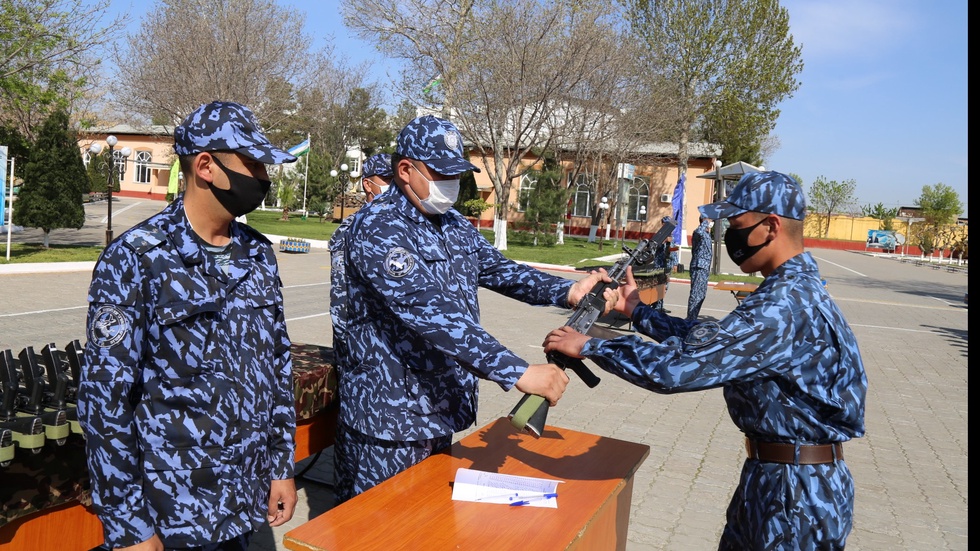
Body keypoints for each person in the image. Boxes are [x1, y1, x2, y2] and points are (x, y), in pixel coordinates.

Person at [542, 171, 867, 550]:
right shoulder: (793, 291)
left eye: (738, 226)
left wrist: (591, 344)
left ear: (771, 226)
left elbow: (677, 370)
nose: (730, 237)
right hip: (780, 477)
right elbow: (716, 341)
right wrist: (638, 312)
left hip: (794, 494)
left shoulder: (783, 305)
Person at [334, 114, 615, 503]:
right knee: (377, 523)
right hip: (389, 417)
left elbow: (501, 271)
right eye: (441, 172)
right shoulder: (379, 228)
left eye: (456, 173)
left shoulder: (451, 224)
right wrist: (518, 372)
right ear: (405, 170)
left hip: (435, 405)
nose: (451, 182)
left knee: (426, 520)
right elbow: (431, 314)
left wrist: (567, 291)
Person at [78, 101, 299, 551]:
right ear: (206, 166)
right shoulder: (137, 259)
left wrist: (281, 465)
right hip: (171, 508)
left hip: (243, 497)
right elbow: (104, 401)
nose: (263, 178)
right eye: (253, 164)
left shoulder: (257, 254)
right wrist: (128, 525)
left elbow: (276, 366)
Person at [329, 152, 394, 390]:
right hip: (363, 355)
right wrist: (354, 351)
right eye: (387, 179)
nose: (394, 186)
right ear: (368, 184)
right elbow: (341, 299)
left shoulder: (401, 225)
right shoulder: (351, 229)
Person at [686, 214, 713, 321]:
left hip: (704, 267)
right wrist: (705, 222)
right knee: (696, 294)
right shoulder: (698, 233)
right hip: (699, 266)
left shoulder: (706, 234)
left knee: (701, 295)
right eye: (710, 219)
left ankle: (693, 317)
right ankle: (690, 319)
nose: (711, 222)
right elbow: (698, 232)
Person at [650, 234, 676, 313]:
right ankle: (656, 306)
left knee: (665, 287)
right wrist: (664, 241)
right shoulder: (659, 237)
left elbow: (674, 250)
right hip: (659, 266)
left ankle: (659, 306)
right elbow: (653, 249)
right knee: (659, 287)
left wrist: (675, 263)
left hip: (668, 266)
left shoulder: (672, 238)